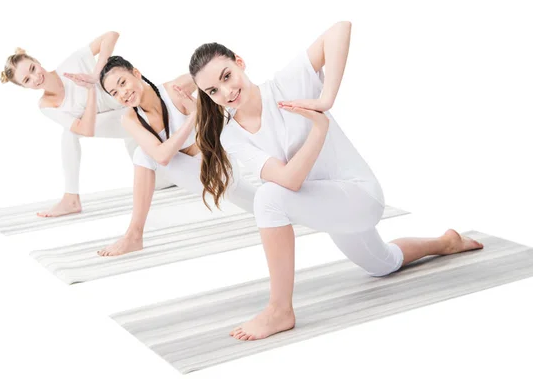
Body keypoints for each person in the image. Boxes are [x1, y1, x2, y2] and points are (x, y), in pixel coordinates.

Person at [189, 21, 484, 341]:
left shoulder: (286, 84)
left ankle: (279, 309)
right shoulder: (231, 135)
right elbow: (289, 179)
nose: (226, 91)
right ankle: (446, 242)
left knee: (267, 199)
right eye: (213, 91)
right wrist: (319, 129)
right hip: (331, 208)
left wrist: (325, 100)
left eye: (227, 76)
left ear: (239, 63)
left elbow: (339, 29)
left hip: (360, 195)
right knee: (382, 264)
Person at [93, 56, 257, 256]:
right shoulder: (129, 118)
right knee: (144, 153)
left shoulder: (175, 89)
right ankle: (134, 235)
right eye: (115, 93)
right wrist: (193, 116)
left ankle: (134, 236)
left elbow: (209, 71)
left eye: (123, 82)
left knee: (266, 205)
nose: (123, 93)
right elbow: (161, 156)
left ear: (136, 73)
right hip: (199, 179)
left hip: (220, 166)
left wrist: (233, 62)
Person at [0, 31, 172, 218]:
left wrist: (96, 72)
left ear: (37, 62)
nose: (35, 78)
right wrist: (90, 91)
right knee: (159, 181)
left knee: (70, 134)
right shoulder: (46, 105)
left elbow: (112, 35)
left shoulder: (72, 63)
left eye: (33, 69)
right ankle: (71, 200)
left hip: (138, 109)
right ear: (25, 87)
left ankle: (70, 198)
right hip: (125, 122)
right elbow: (86, 129)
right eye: (27, 80)